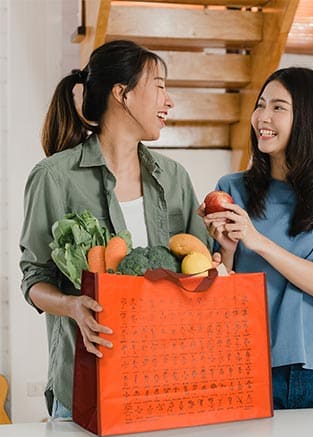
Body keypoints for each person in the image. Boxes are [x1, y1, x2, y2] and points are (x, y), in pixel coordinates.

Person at [19, 40, 211, 420]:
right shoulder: (54, 178)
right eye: (159, 86)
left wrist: (225, 246)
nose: (169, 101)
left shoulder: (173, 179)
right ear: (121, 94)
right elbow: (35, 280)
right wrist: (71, 305)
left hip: (164, 381)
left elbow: (202, 273)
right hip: (85, 387)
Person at [201, 67, 313, 409]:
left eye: (278, 107)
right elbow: (220, 292)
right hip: (246, 364)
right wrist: (227, 252)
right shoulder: (231, 189)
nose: (263, 116)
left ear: (308, 119)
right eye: (261, 105)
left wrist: (257, 241)